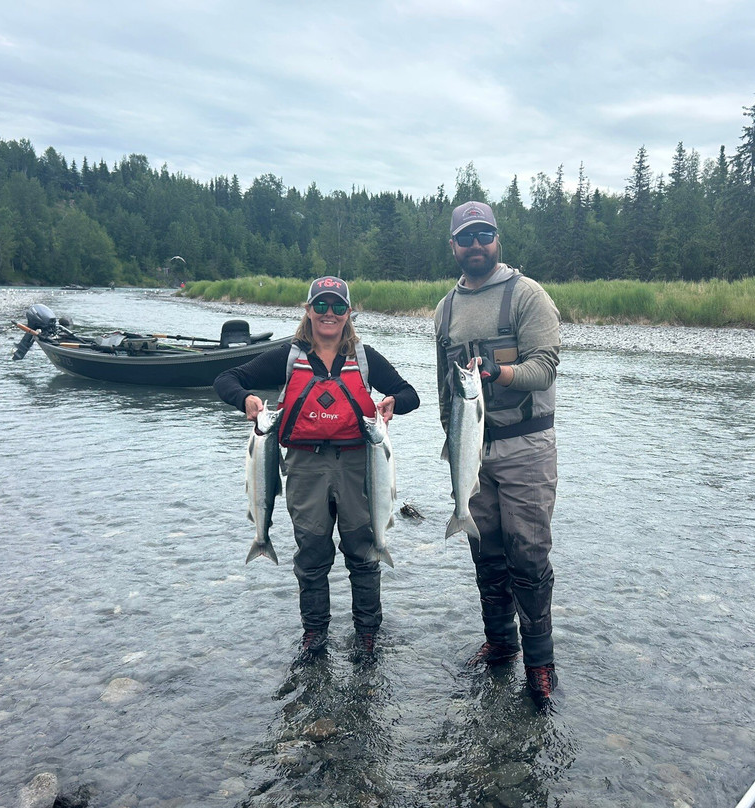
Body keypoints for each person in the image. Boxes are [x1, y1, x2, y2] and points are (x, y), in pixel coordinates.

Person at [215, 276, 420, 661]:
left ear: (348, 313)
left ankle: (367, 632)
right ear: (308, 311)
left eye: (338, 307)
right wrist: (246, 400)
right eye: (321, 306)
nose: (329, 314)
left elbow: (412, 395)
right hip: (304, 467)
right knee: (311, 551)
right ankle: (314, 633)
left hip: (359, 465)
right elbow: (226, 379)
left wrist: (392, 401)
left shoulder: (364, 357)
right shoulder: (287, 358)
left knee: (363, 550)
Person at [434, 201, 562, 705]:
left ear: (497, 240)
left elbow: (546, 368)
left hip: (526, 445)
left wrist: (500, 374)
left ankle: (540, 664)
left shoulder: (527, 295)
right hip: (470, 449)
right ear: (454, 247)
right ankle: (501, 645)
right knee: (484, 550)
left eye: (484, 235)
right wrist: (451, 443)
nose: (476, 245)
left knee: (527, 553)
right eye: (466, 237)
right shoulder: (444, 309)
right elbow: (446, 389)